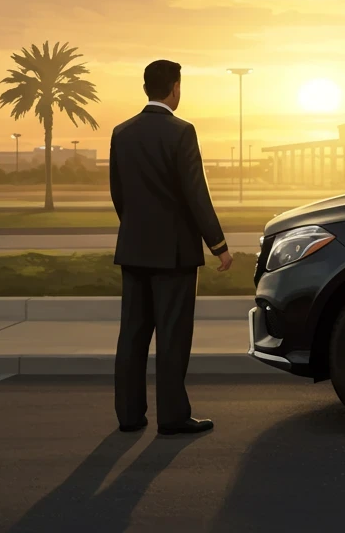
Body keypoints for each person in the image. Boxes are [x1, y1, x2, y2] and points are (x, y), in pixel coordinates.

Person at [110, 59, 231, 436]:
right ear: (175, 88)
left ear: (146, 87)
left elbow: (118, 193)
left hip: (134, 249)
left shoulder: (121, 132)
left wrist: (136, 230)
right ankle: (173, 416)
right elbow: (196, 194)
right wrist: (219, 244)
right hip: (175, 253)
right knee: (172, 337)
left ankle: (129, 415)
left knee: (132, 334)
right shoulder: (182, 131)